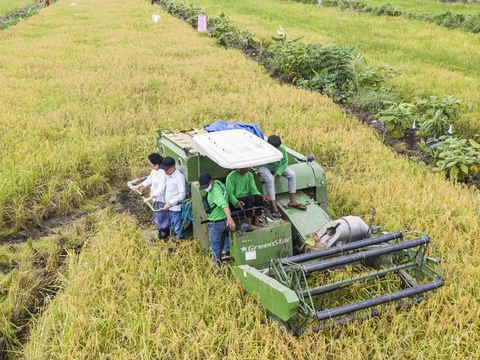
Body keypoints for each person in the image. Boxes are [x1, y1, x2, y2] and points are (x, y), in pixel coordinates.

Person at [258, 135, 306, 218]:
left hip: (276, 166)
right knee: (270, 180)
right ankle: (273, 206)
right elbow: (259, 163)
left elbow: (284, 162)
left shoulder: (282, 149)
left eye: (278, 147)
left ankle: (292, 201)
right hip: (264, 166)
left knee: (292, 175)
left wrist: (276, 174)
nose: (277, 149)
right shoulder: (263, 150)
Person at [198, 173, 236, 265]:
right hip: (225, 222)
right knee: (227, 235)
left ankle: (216, 267)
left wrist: (229, 218)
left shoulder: (215, 192)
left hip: (216, 224)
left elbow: (223, 204)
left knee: (214, 248)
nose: (206, 188)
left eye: (206, 186)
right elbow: (228, 195)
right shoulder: (219, 183)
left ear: (211, 181)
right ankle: (225, 251)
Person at [134, 153, 170, 239]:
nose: (149, 166)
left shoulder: (163, 173)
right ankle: (161, 232)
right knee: (158, 217)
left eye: (150, 164)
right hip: (156, 198)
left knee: (163, 218)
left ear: (156, 164)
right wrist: (140, 185)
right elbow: (150, 179)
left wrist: (150, 197)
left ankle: (164, 235)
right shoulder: (154, 170)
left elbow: (161, 188)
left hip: (162, 200)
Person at [160, 156, 187, 239]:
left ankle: (180, 242)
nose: (165, 171)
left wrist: (170, 203)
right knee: (172, 224)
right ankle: (174, 240)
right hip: (169, 207)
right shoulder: (168, 175)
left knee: (178, 227)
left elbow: (182, 194)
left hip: (176, 208)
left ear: (173, 167)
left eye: (166, 169)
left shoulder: (179, 177)